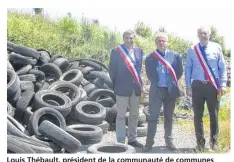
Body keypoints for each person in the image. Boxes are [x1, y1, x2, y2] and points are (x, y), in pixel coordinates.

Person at [185, 26, 227, 151]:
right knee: (197, 116)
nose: (203, 35)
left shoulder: (217, 47)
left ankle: (214, 142)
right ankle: (200, 144)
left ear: (209, 34)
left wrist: (223, 85)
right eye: (201, 33)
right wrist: (188, 86)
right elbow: (188, 68)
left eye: (205, 33)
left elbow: (222, 68)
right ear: (197, 35)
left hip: (212, 86)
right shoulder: (192, 49)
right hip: (197, 86)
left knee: (214, 115)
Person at [143, 32, 183, 152]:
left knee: (169, 117)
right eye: (159, 41)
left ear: (167, 42)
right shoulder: (150, 58)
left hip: (170, 91)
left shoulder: (175, 56)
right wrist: (157, 82)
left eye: (164, 40)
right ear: (156, 42)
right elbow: (150, 74)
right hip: (156, 91)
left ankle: (169, 141)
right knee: (152, 117)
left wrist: (171, 82)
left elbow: (179, 71)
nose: (162, 43)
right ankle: (149, 143)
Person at [108, 30, 144, 148]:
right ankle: (120, 141)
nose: (129, 40)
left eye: (131, 38)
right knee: (121, 115)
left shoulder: (139, 51)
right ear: (123, 39)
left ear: (134, 38)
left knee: (134, 115)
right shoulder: (116, 51)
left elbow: (138, 71)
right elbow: (112, 71)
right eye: (127, 38)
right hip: (121, 88)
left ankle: (132, 139)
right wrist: (116, 85)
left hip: (135, 88)